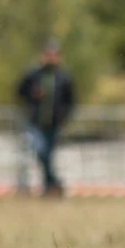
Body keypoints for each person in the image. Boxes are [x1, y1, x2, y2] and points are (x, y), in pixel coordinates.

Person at [17, 39, 75, 197]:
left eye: (53, 55)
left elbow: (71, 101)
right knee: (40, 151)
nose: (50, 58)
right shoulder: (33, 74)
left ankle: (50, 186)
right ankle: (53, 183)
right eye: (48, 54)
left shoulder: (64, 77)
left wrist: (64, 116)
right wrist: (32, 94)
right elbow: (20, 91)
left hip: (54, 124)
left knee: (47, 156)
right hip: (35, 122)